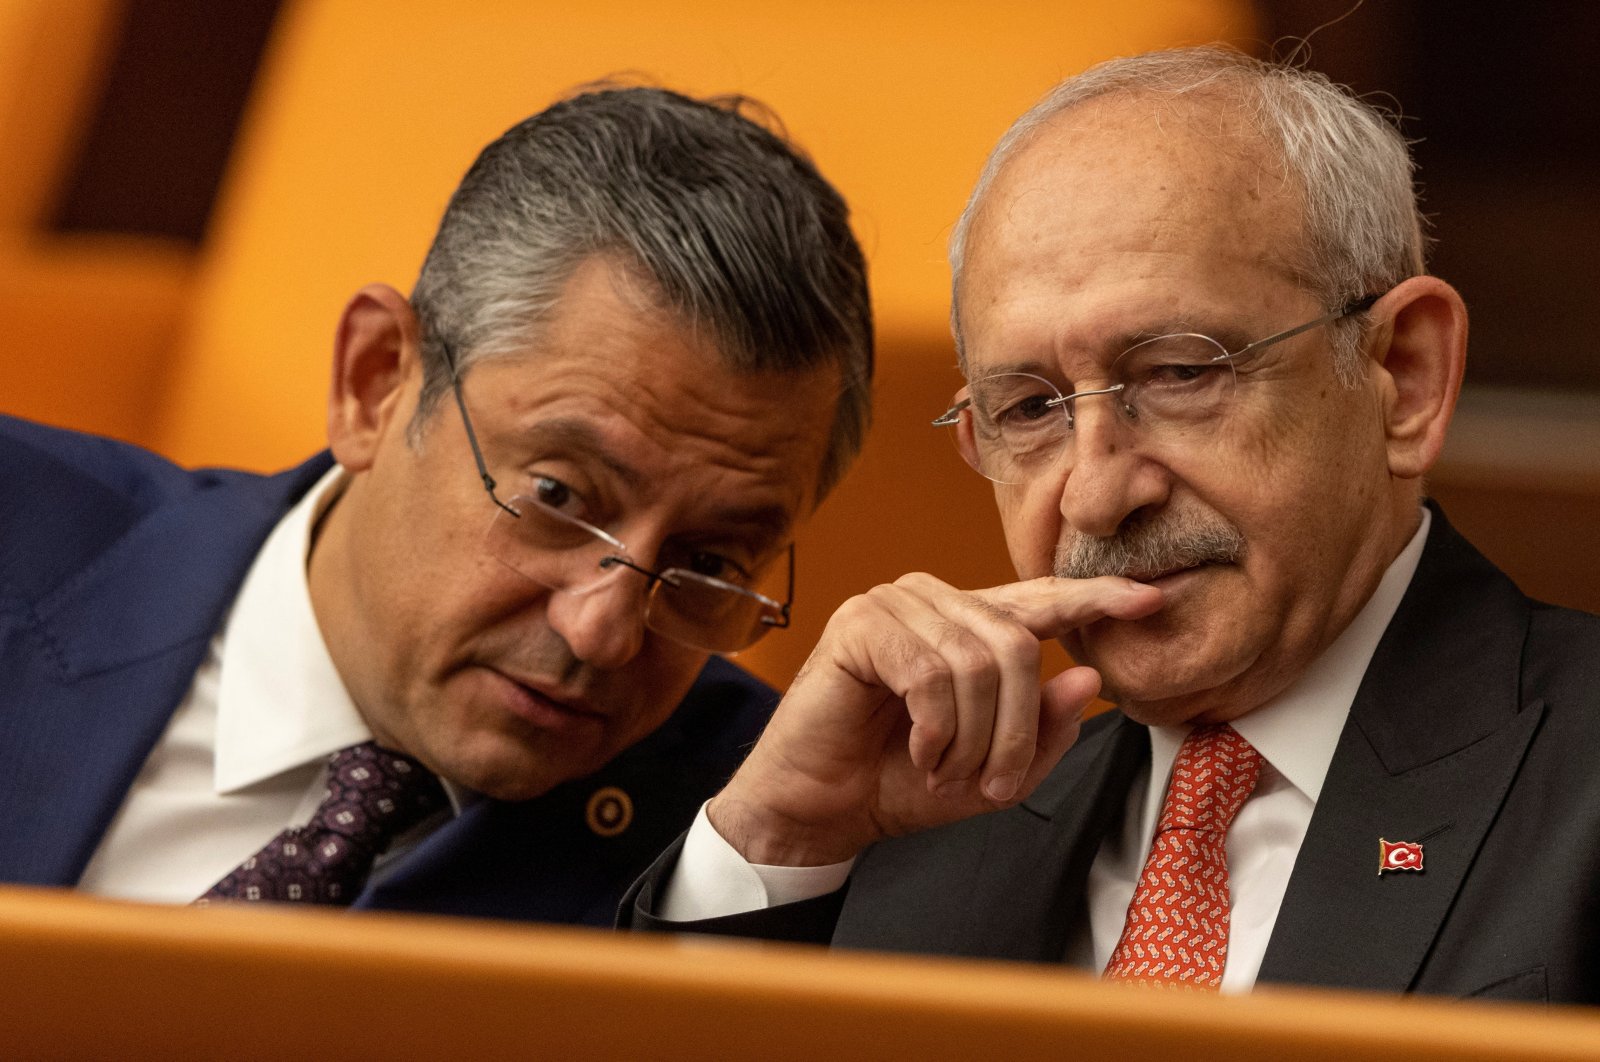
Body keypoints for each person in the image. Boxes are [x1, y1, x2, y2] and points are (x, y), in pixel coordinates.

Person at [624, 47, 1600, 1004]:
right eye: (1029, 409)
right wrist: (776, 844)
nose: (1094, 496)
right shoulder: (905, 836)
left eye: (1179, 372)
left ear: (1404, 378)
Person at [0, 85, 873, 925]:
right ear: (374, 382)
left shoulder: (761, 839)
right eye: (560, 496)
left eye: (709, 564)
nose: (602, 631)